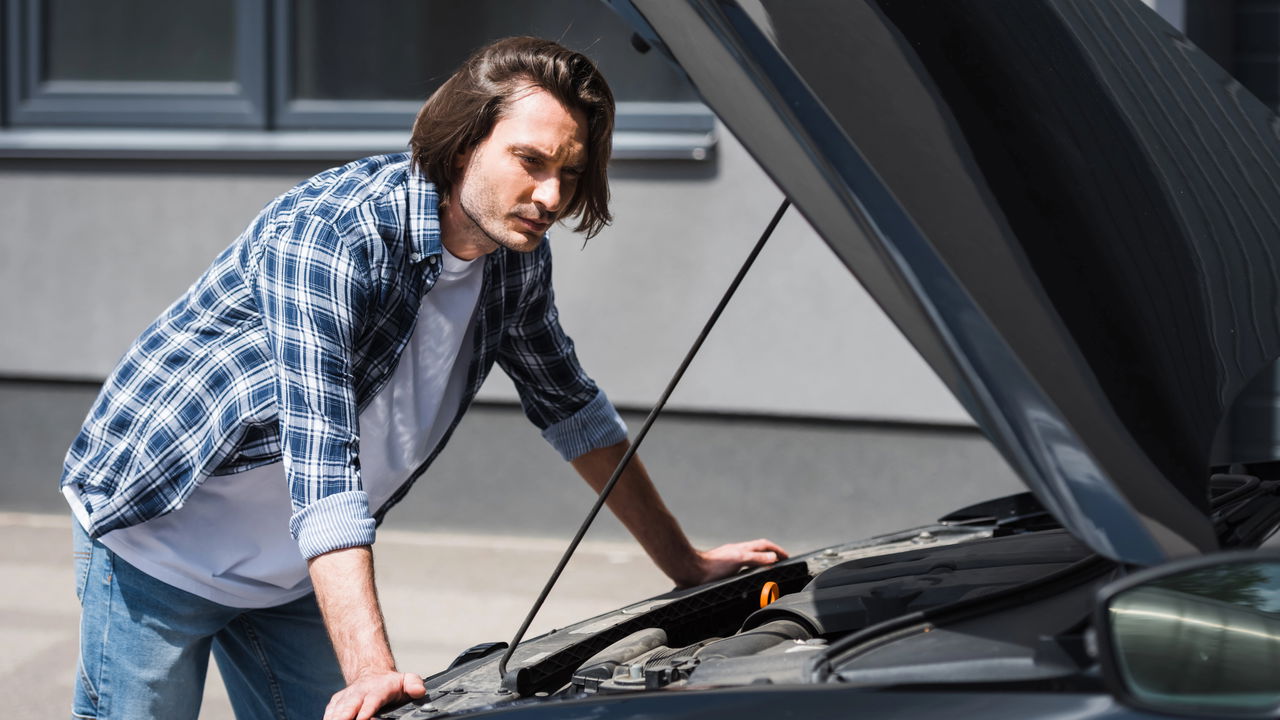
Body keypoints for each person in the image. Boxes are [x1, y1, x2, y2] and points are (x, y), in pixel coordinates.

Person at [60, 36, 787, 720]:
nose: (552, 196)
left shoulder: (515, 259)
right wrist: (372, 668)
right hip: (157, 539)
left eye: (568, 172)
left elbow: (572, 410)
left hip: (289, 572)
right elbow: (321, 461)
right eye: (530, 161)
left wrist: (685, 564)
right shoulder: (332, 236)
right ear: (464, 140)